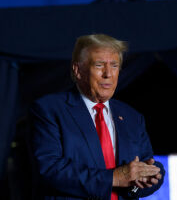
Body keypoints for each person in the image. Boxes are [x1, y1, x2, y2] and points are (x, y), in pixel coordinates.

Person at [28, 34, 165, 200]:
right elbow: (49, 168)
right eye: (99, 65)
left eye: (114, 66)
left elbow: (146, 163)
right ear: (78, 70)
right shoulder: (49, 109)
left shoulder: (132, 117)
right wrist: (114, 178)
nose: (108, 74)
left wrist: (148, 177)